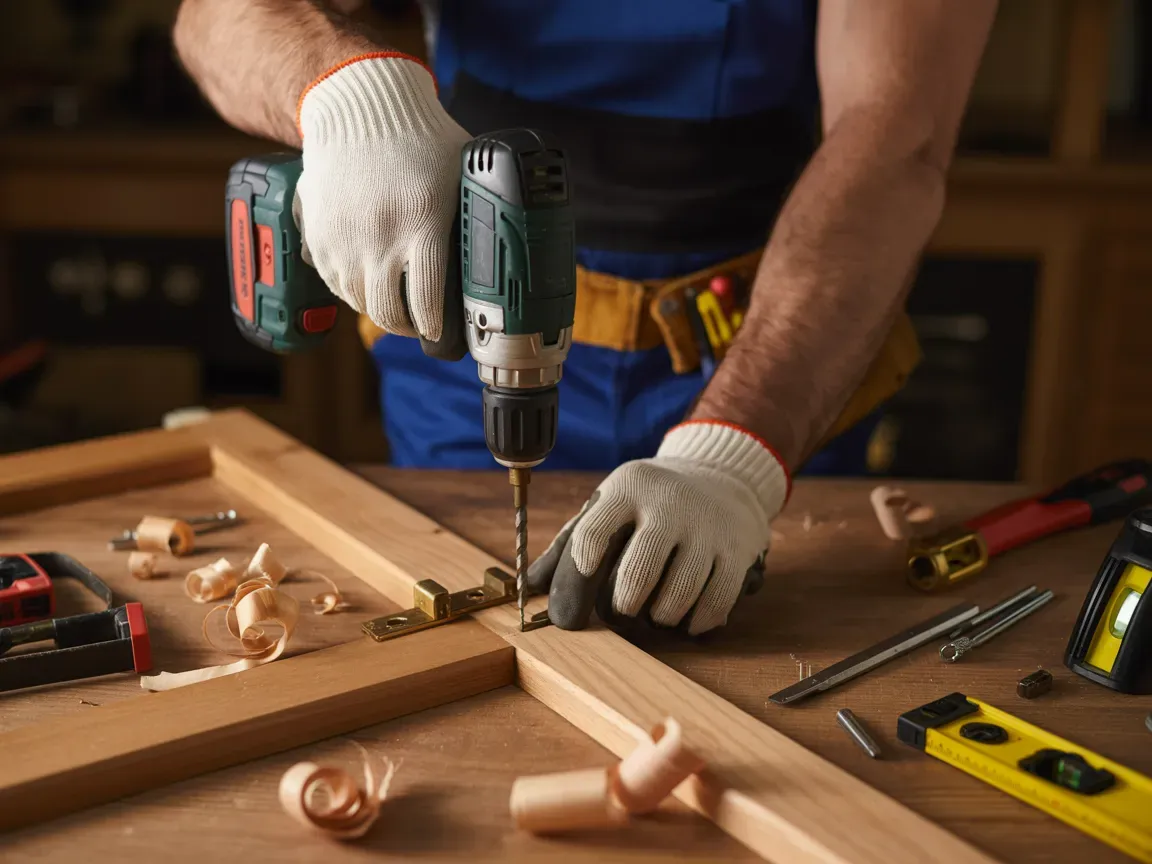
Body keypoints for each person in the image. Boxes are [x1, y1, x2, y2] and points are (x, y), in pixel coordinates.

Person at [174, 0, 997, 636]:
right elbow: (214, 18)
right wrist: (351, 94)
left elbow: (899, 130)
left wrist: (736, 457)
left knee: (773, 636)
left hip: (769, 342)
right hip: (463, 337)